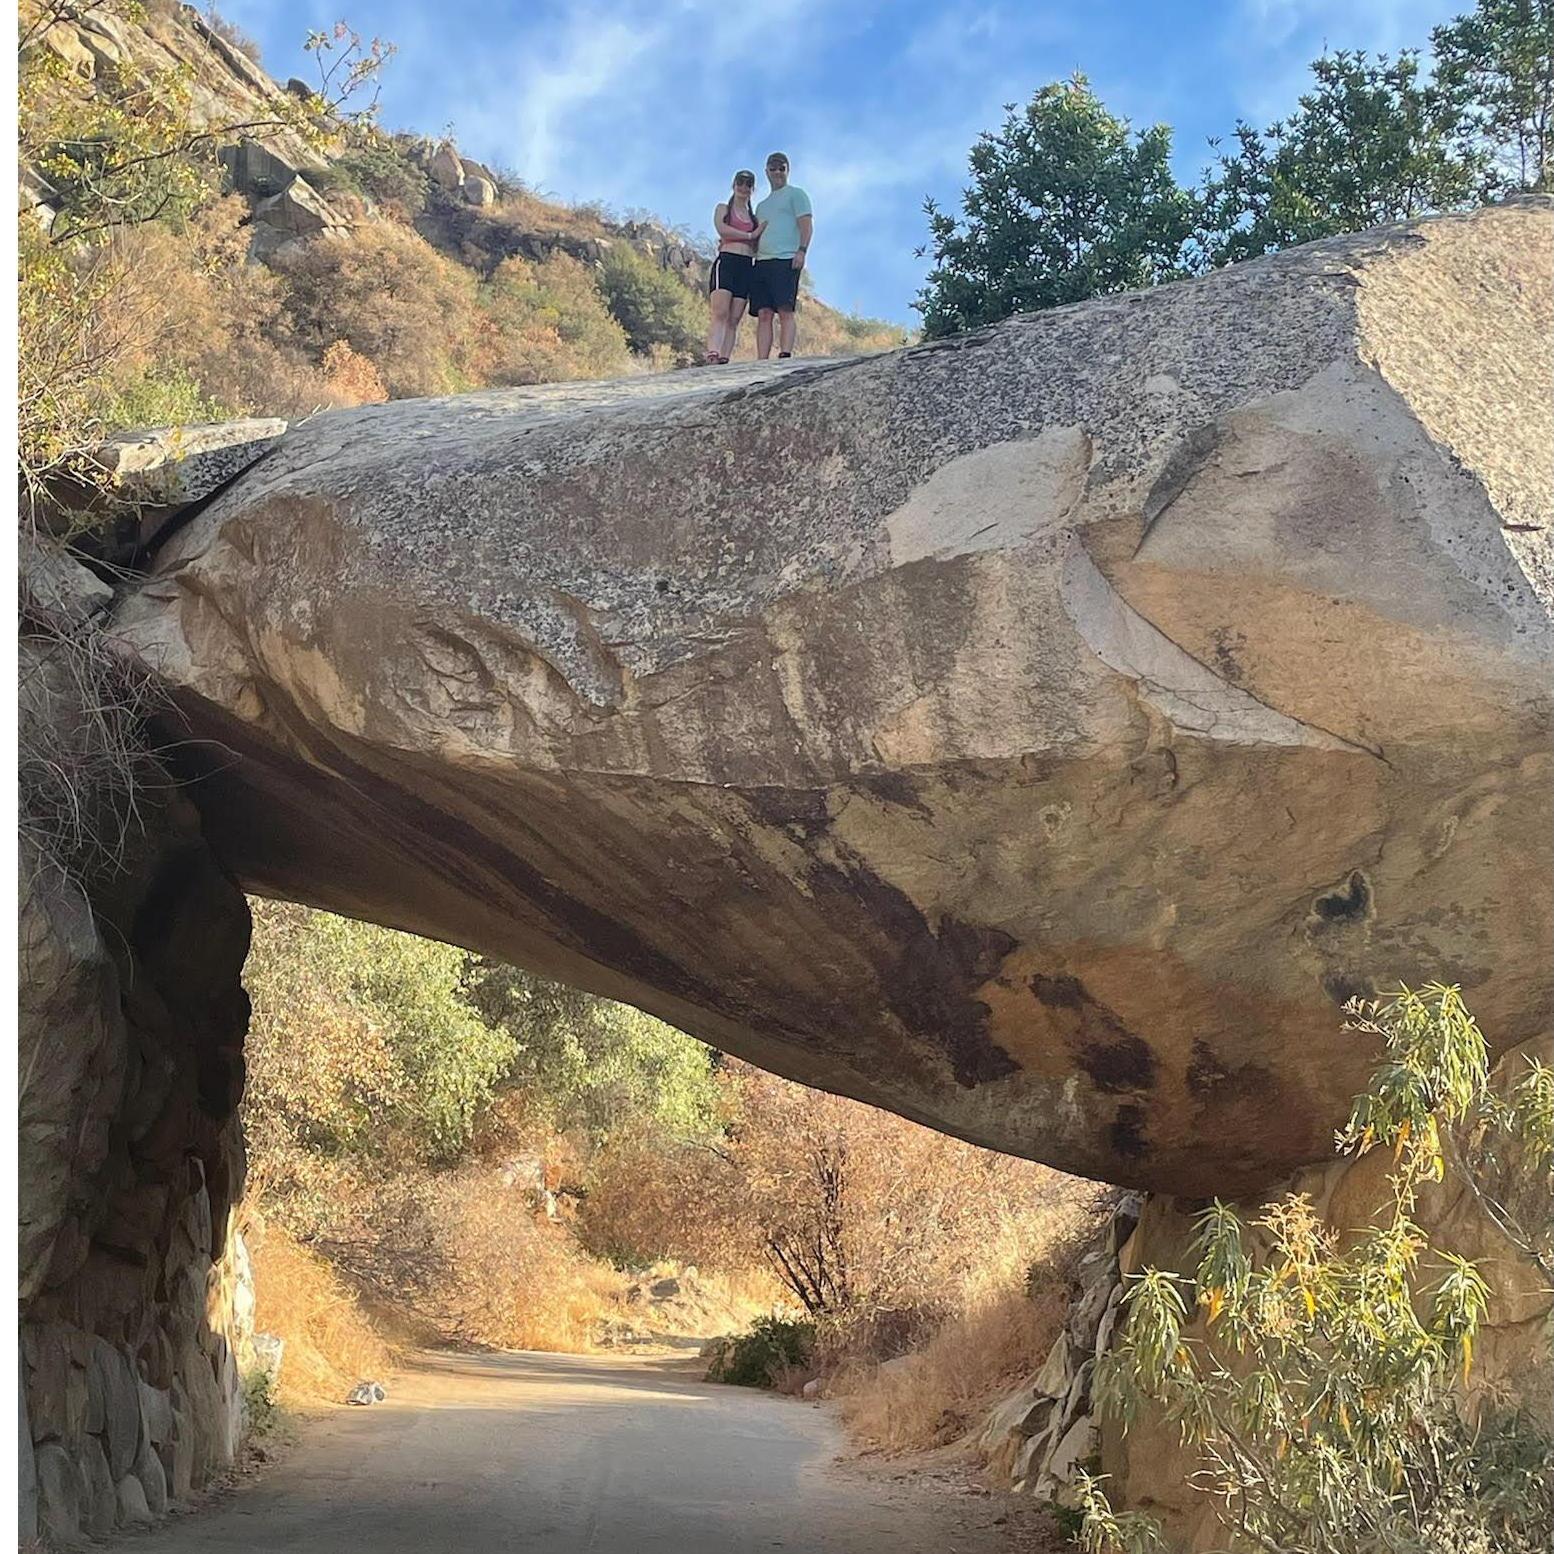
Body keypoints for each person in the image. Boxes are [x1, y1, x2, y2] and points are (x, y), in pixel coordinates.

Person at [749, 152, 812, 359]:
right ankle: (762, 359)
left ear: (787, 170)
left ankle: (785, 353)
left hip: (786, 258)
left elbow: (806, 225)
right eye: (773, 168)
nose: (777, 172)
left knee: (785, 309)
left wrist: (801, 251)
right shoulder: (761, 206)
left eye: (781, 168)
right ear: (766, 171)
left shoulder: (796, 194)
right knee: (764, 313)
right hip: (762, 261)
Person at [704, 170, 764, 364]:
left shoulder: (754, 218)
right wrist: (749, 236)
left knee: (734, 317)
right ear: (734, 184)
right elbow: (722, 229)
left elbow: (758, 242)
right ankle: (713, 351)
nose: (743, 187)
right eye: (740, 182)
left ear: (752, 189)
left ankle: (724, 356)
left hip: (746, 264)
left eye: (748, 184)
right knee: (720, 311)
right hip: (727, 261)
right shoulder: (724, 209)